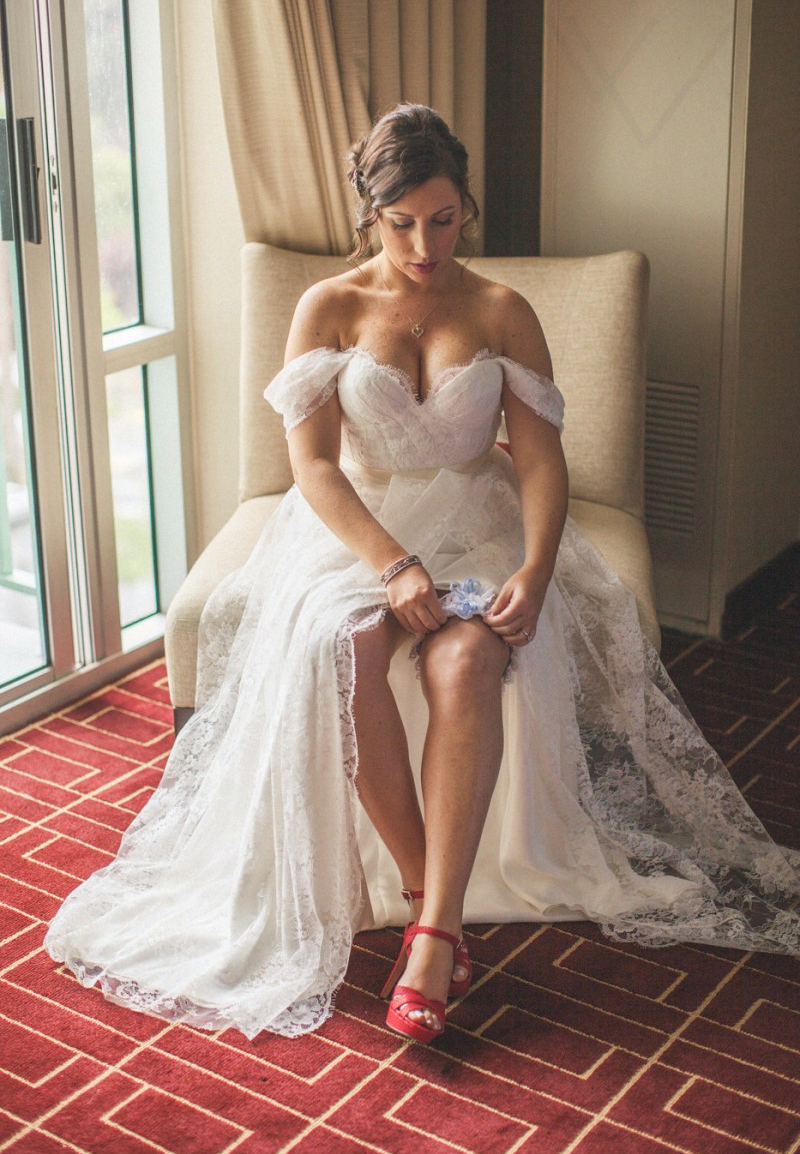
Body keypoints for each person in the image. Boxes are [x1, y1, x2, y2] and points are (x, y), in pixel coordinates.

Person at [45, 104, 800, 1045]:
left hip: (477, 523)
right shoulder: (327, 307)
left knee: (468, 660)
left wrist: (535, 568)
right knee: (345, 648)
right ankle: (421, 890)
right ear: (371, 214)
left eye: (443, 220)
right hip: (357, 532)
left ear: (466, 207)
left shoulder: (503, 311)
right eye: (401, 223)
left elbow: (538, 458)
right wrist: (392, 563)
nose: (424, 245)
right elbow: (312, 465)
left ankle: (435, 937)